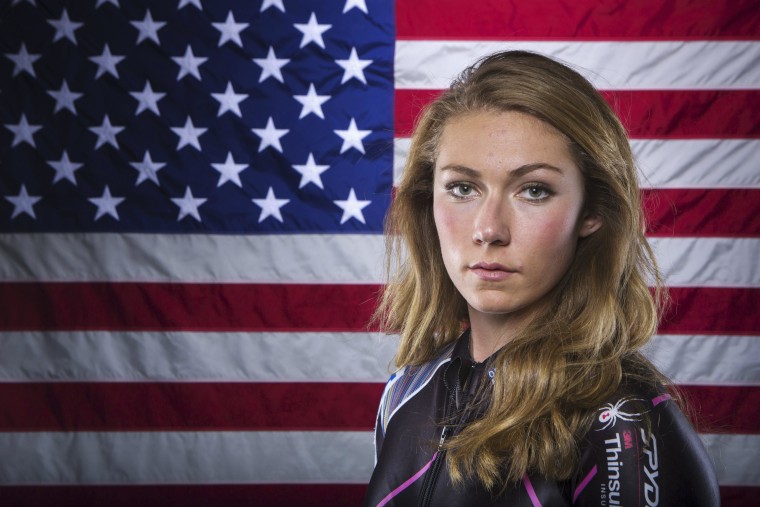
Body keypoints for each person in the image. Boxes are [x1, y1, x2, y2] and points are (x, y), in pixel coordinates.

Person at [364, 51, 720, 507]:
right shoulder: (407, 389)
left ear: (591, 211)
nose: (488, 230)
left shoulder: (621, 420)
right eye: (462, 188)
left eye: (534, 190)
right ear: (426, 200)